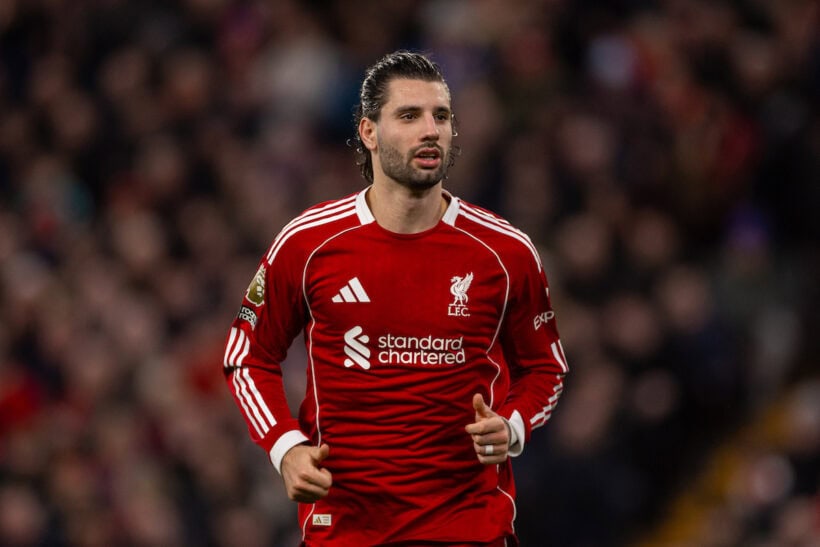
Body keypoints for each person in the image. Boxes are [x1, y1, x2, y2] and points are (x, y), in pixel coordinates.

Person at [222, 50, 568, 546]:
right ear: (369, 132)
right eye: (409, 116)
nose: (431, 130)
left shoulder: (504, 252)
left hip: (468, 526)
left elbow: (545, 367)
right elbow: (246, 354)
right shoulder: (308, 243)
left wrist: (512, 425)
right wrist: (286, 448)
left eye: (441, 116)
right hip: (347, 529)